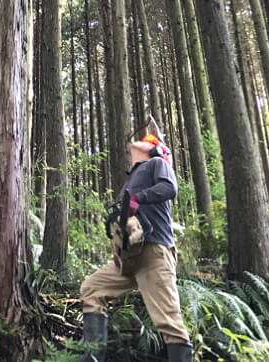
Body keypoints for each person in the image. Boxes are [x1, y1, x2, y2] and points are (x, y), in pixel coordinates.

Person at [80, 122, 193, 362]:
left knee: (169, 322)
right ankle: (93, 357)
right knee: (91, 289)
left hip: (154, 252)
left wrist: (138, 198)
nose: (143, 139)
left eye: (150, 141)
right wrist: (118, 249)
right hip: (128, 259)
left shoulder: (157, 164)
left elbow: (169, 188)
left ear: (153, 150)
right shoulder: (131, 178)